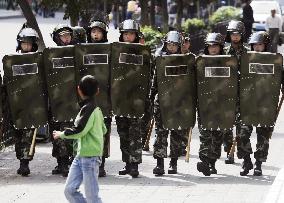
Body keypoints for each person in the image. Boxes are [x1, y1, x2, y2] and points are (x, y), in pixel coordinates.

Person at [53, 75, 105, 203]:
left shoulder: (89, 109)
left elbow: (79, 130)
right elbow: (104, 129)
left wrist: (61, 134)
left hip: (91, 158)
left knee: (92, 197)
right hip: (80, 156)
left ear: (79, 90)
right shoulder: (94, 109)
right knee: (69, 190)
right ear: (97, 91)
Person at [237, 31, 274, 176]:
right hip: (247, 103)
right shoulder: (244, 59)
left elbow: (278, 76)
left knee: (263, 136)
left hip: (265, 103)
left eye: (260, 44)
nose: (257, 47)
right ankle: (246, 161)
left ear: (265, 45)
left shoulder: (273, 60)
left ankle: (258, 163)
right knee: (242, 134)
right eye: (255, 45)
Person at [151, 31, 185, 176]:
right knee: (160, 133)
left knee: (177, 133)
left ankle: (174, 163)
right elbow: (154, 82)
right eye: (170, 44)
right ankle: (160, 164)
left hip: (178, 102)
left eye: (175, 45)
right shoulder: (159, 59)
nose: (172, 47)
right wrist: (151, 98)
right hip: (162, 101)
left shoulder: (185, 60)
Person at [197, 33, 226, 176]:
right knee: (205, 135)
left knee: (217, 136)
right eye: (210, 46)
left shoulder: (228, 62)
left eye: (215, 46)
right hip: (204, 105)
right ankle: (204, 161)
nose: (213, 49)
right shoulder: (200, 62)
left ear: (220, 47)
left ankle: (212, 163)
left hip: (221, 105)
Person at [116, 19, 143, 178]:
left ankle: (135, 165)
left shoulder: (142, 51)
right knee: (123, 133)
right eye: (125, 34)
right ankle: (127, 163)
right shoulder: (117, 51)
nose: (128, 37)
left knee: (135, 134)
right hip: (121, 100)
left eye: (131, 34)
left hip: (136, 100)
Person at [12, 27, 39, 176]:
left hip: (33, 104)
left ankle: (25, 162)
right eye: (24, 43)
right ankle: (20, 159)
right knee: (18, 134)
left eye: (29, 44)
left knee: (29, 135)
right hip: (17, 104)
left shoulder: (38, 60)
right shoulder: (14, 60)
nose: (26, 46)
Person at [86, 18, 111, 177]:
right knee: (87, 132)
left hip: (104, 99)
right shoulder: (83, 49)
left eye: (99, 32)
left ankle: (101, 164)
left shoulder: (110, 49)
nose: (96, 34)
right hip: (87, 100)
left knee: (103, 133)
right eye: (93, 32)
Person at [50, 24, 75, 177]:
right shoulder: (51, 54)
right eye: (62, 36)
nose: (66, 39)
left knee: (67, 131)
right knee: (55, 132)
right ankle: (60, 162)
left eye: (68, 36)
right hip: (55, 100)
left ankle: (67, 162)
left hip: (71, 99)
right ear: (57, 38)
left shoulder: (76, 52)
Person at [224, 20, 249, 165]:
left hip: (243, 93)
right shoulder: (224, 51)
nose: (235, 37)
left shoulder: (247, 52)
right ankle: (229, 151)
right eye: (232, 34)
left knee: (241, 125)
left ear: (242, 35)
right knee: (227, 125)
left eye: (238, 34)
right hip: (227, 93)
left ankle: (240, 152)